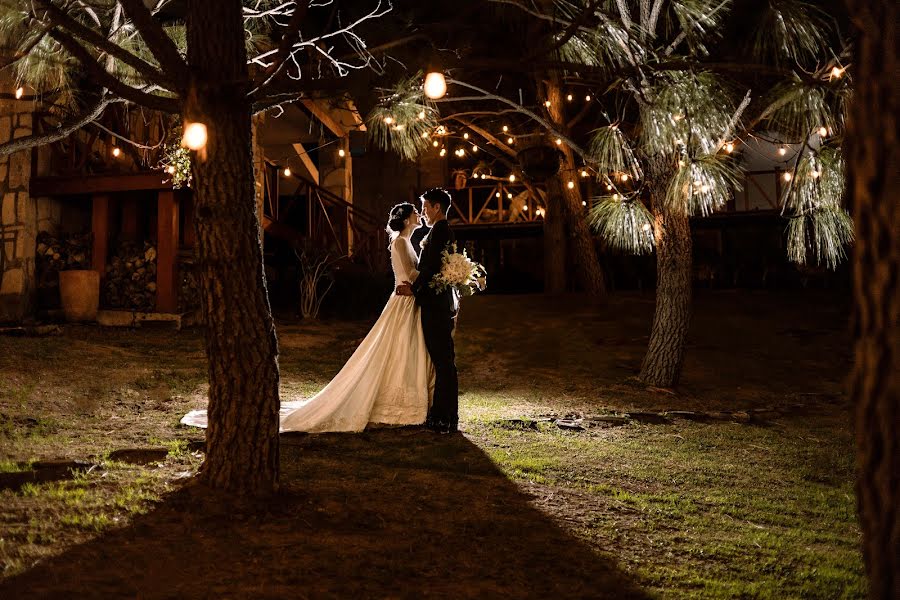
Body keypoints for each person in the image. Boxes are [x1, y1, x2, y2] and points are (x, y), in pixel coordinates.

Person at [180, 202, 433, 432]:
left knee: (404, 348)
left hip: (409, 300)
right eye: (415, 212)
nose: (418, 214)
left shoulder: (408, 242)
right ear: (407, 218)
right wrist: (434, 278)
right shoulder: (400, 242)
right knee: (397, 347)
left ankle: (404, 398)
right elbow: (409, 274)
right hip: (403, 301)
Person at [396, 188, 459, 434]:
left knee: (443, 362)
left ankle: (444, 418)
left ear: (436, 207)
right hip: (436, 304)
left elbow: (432, 268)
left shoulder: (441, 231)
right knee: (443, 360)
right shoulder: (439, 231)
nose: (422, 211)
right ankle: (444, 416)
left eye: (425, 206)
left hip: (435, 306)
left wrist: (415, 290)